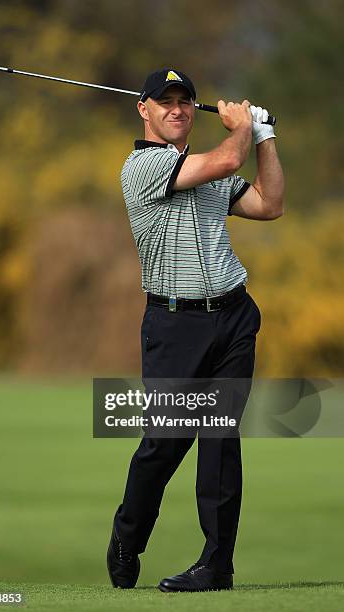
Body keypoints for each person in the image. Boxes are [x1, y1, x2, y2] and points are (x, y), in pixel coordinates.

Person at [107, 68, 284, 592]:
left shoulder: (206, 175)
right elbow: (230, 157)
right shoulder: (142, 166)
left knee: (220, 439)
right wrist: (243, 125)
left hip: (233, 318)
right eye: (165, 102)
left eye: (185, 101)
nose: (178, 109)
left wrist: (266, 137)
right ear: (144, 110)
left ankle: (216, 564)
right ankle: (127, 538)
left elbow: (270, 204)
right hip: (174, 325)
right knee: (164, 444)